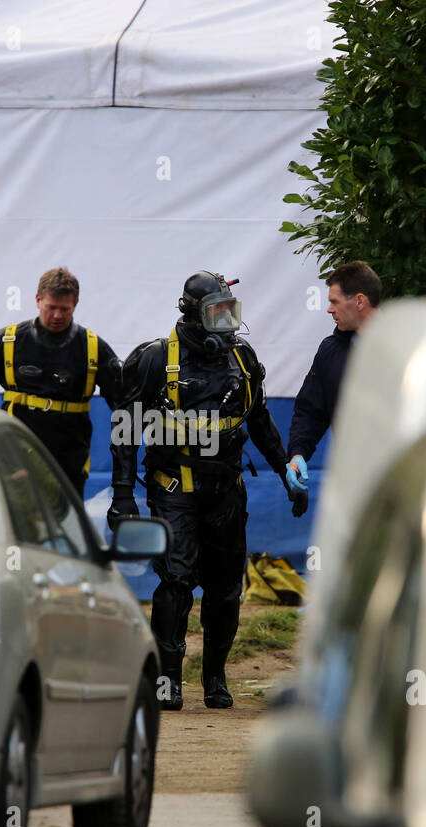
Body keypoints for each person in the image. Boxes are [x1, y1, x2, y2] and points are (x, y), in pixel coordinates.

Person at [109, 271, 306, 711]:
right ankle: (168, 679)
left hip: (226, 492)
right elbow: (125, 431)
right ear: (192, 312)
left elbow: (259, 422)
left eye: (229, 311)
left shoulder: (241, 359)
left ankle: (215, 676)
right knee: (176, 582)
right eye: (216, 312)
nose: (227, 321)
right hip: (175, 488)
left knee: (226, 589)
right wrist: (123, 496)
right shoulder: (155, 360)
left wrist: (285, 472)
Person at [0, 267, 122, 497]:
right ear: (38, 300)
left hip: (69, 461)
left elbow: (122, 403)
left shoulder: (94, 349)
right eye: (51, 307)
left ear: (75, 304)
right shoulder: (6, 341)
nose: (57, 316)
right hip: (15, 455)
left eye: (64, 309)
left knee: (64, 525)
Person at [285, 260, 382, 494]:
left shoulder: (408, 347)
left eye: (334, 302)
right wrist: (298, 454)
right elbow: (310, 411)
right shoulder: (330, 351)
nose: (329, 309)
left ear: (359, 301)